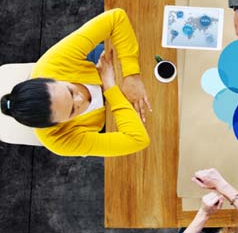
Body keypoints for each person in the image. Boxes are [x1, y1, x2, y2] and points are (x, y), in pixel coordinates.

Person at [0, 9, 151, 157]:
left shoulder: (52, 64)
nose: (81, 99)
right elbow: (137, 140)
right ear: (56, 124)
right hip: (109, 113)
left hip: (102, 64)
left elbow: (116, 18)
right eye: (73, 110)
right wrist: (110, 87)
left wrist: (132, 75)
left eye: (70, 91)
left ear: (53, 78)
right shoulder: (58, 141)